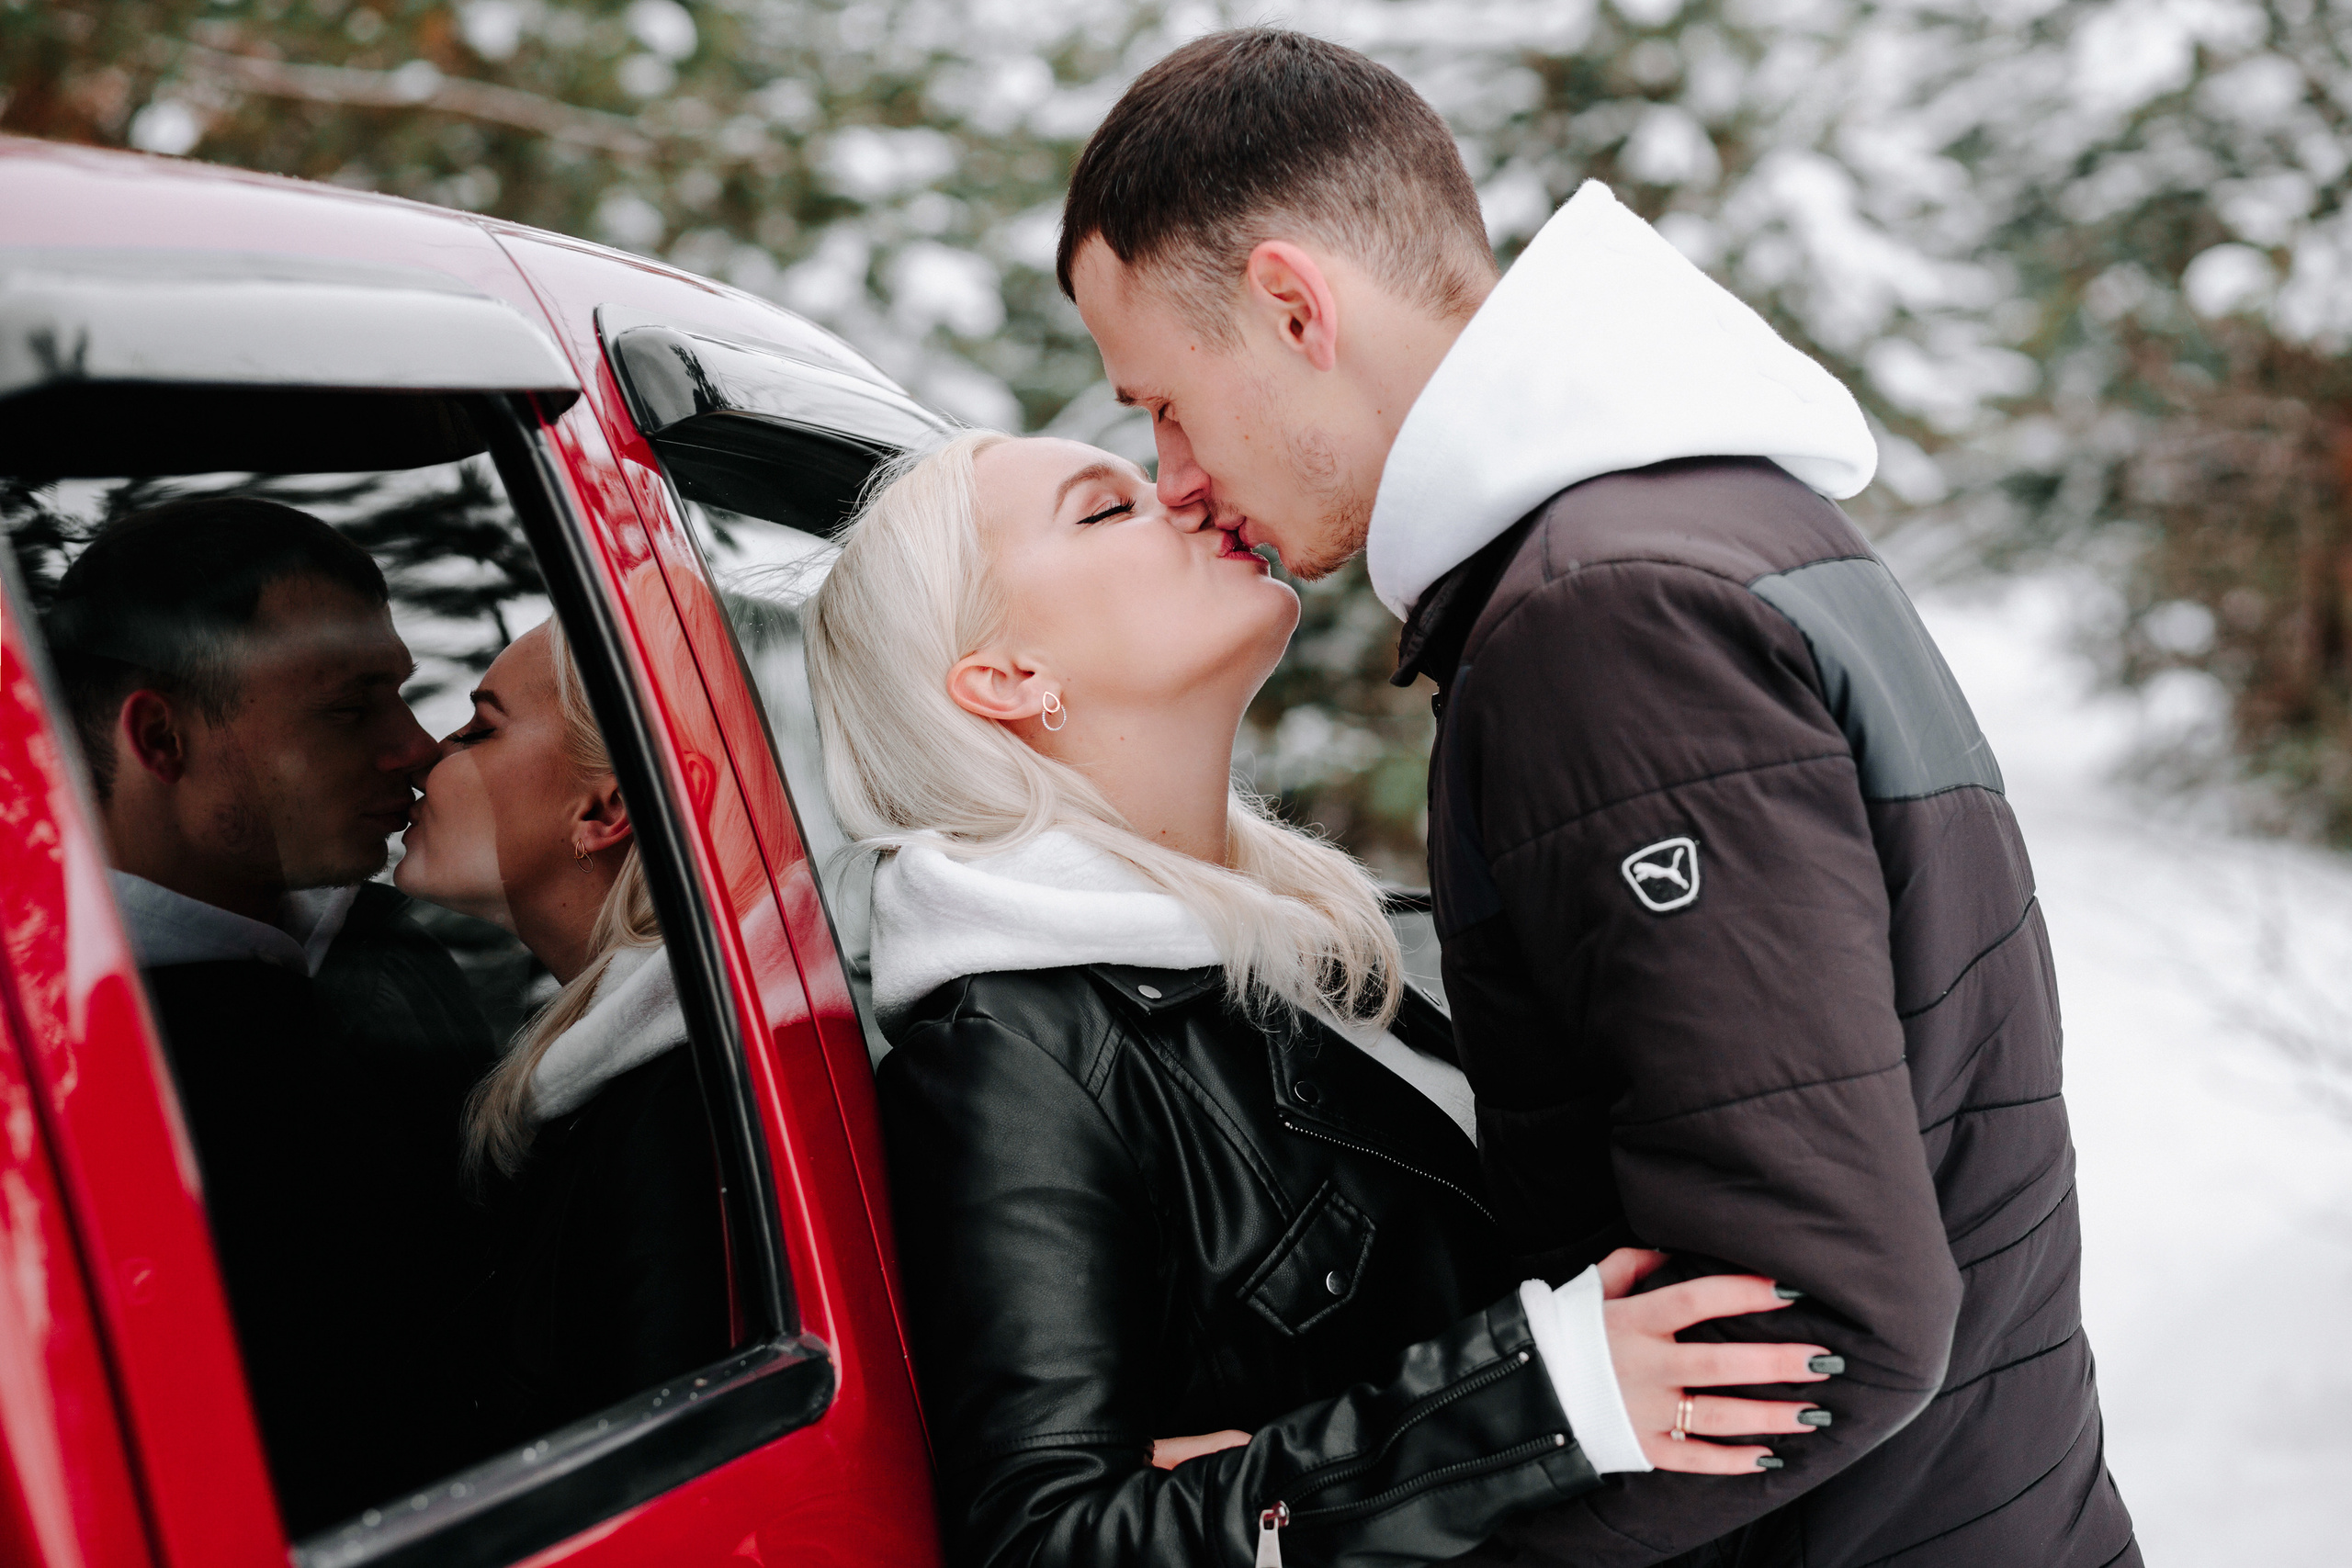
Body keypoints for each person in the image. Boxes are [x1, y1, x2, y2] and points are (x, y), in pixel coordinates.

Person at [1054, 28, 2136, 1568]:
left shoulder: (1601, 620)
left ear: (1297, 307)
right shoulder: (1713, 525)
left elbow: (1819, 1313)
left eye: (1162, 400)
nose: (1168, 470)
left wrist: (1370, 1518)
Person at [803, 431, 1838, 1568]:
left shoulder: (1333, 941)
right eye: (1106, 510)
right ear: (1006, 677)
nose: (1191, 497)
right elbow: (1051, 1541)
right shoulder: (1014, 1056)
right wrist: (1534, 1399)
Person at [42, 497, 498, 1533]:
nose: (419, 749)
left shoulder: (397, 943)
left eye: (404, 697)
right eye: (349, 711)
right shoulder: (65, 1062)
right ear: (161, 737)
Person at [392, 612, 732, 1446]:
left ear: (604, 809)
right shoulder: (629, 1079)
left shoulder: (676, 1115)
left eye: (479, 727)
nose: (428, 753)